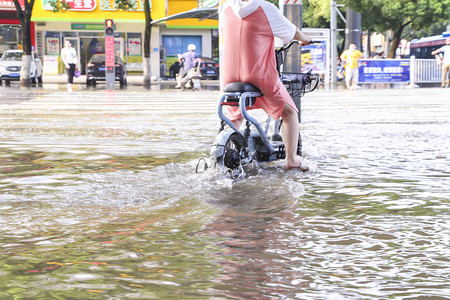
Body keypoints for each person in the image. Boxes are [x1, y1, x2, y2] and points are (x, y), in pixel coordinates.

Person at [220, 0, 311, 170]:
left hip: (230, 75)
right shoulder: (265, 8)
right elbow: (292, 31)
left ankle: (222, 153)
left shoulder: (226, 8)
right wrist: (305, 39)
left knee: (236, 114)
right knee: (290, 113)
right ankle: (291, 159)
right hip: (258, 74)